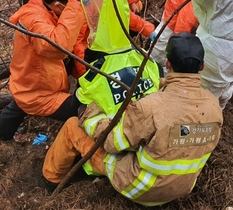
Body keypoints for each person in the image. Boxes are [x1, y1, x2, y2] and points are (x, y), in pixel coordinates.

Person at [41, 32, 223, 206]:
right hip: (182, 187)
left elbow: (112, 142)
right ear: (202, 66)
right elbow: (180, 127)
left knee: (73, 126)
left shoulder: (150, 108)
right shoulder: (214, 106)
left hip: (140, 188)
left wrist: (89, 115)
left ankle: (51, 180)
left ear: (167, 62)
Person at [0, 0, 86, 140]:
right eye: (68, 6)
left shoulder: (43, 5)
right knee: (80, 109)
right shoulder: (34, 20)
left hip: (36, 79)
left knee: (20, 104)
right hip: (39, 89)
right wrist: (74, 10)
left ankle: (0, 138)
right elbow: (58, 48)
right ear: (57, 5)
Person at [75, 0, 161, 116]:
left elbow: (82, 99)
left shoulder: (96, 71)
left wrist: (83, 71)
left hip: (115, 131)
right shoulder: (145, 60)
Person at [151, 0, 199, 69]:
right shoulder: (193, 5)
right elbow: (182, 28)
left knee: (162, 40)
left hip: (175, 7)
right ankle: (152, 65)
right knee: (162, 42)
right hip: (174, 14)